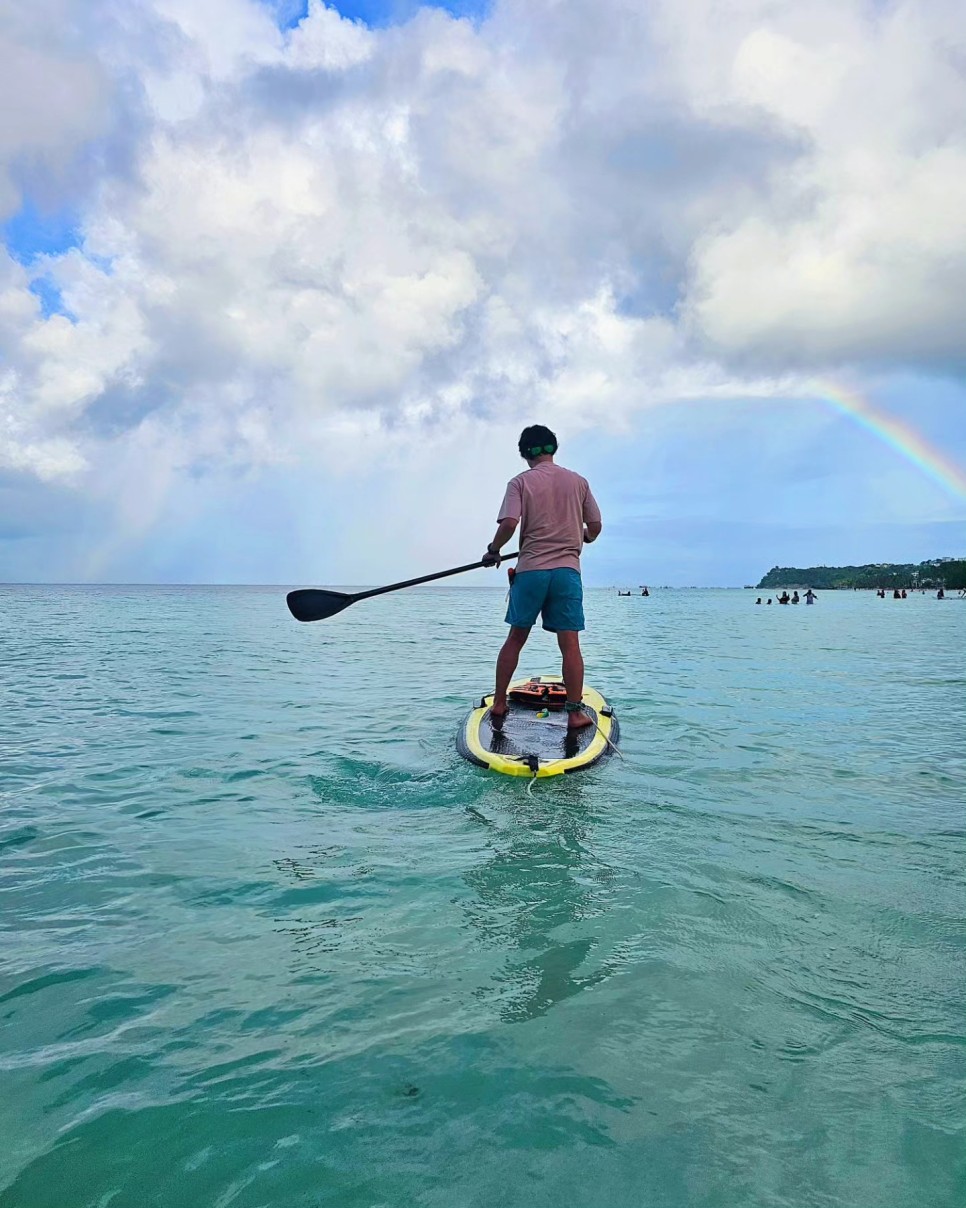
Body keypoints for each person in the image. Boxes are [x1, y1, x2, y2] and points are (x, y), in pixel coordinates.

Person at [483, 425, 601, 732]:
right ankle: (575, 714)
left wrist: (493, 550)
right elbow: (596, 525)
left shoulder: (520, 482)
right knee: (570, 644)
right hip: (567, 572)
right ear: (554, 448)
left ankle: (498, 704)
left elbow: (510, 522)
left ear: (524, 454)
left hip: (532, 569)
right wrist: (585, 536)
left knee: (516, 638)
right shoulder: (578, 482)